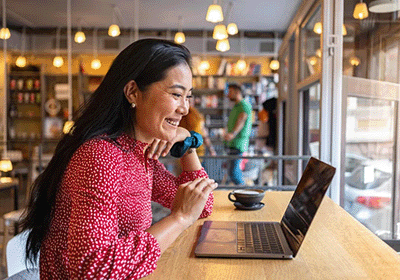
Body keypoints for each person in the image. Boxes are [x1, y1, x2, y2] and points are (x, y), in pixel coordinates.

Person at [21, 39, 218, 279]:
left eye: (188, 96)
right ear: (133, 92)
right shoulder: (100, 156)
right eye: (176, 94)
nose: (185, 108)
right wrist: (179, 218)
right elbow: (92, 271)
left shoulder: (138, 153)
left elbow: (202, 205)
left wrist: (188, 144)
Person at [223, 83, 252, 185]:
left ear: (237, 92)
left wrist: (232, 134)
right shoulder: (236, 106)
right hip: (233, 143)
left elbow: (242, 120)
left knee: (233, 172)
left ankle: (245, 192)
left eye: (230, 92)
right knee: (232, 171)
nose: (228, 94)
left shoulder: (244, 105)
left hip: (238, 143)